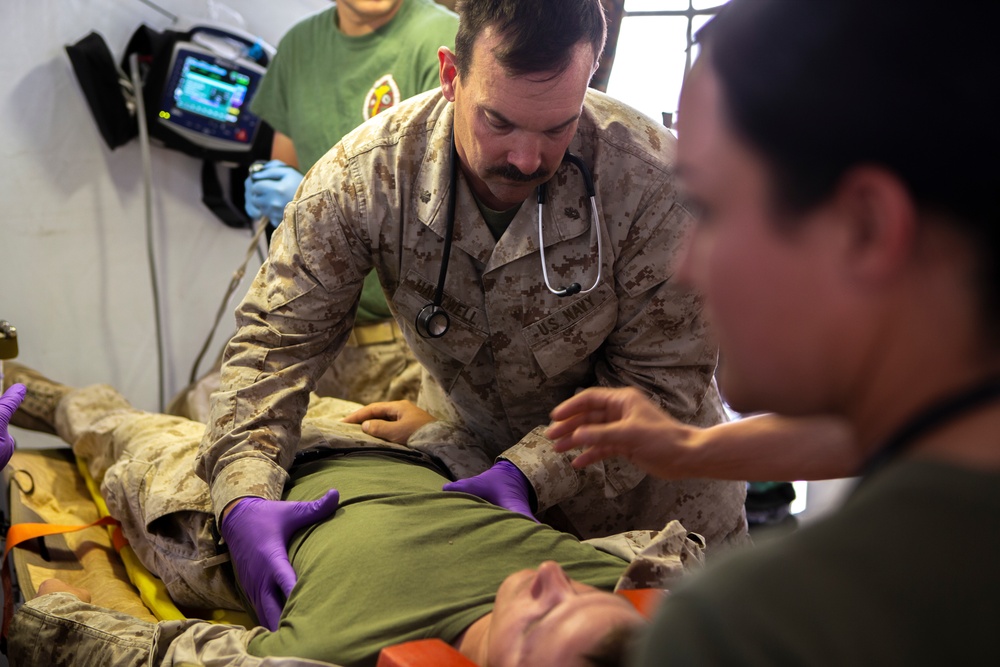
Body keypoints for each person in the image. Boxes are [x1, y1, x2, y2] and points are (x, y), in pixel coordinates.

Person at [201, 0, 749, 631]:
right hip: (475, 495)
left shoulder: (653, 184)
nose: (524, 157)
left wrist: (529, 473)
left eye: (556, 128)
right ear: (450, 75)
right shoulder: (365, 182)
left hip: (656, 509)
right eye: (500, 121)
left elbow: (661, 386)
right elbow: (273, 348)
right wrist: (241, 494)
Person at [546, 0, 1000, 662]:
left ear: (866, 227)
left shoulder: (756, 628)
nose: (687, 265)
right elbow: (859, 438)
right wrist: (687, 447)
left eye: (708, 207)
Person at [2, 363, 706, 666]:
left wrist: (43, 619)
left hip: (217, 502)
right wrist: (436, 432)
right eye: (579, 594)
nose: (552, 572)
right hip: (381, 441)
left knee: (113, 423)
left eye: (542, 618)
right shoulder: (628, 570)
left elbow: (153, 655)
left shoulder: (337, 654)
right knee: (219, 387)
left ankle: (35, 390)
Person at [172, 0, 459, 418]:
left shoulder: (440, 40)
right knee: (197, 418)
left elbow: (449, 208)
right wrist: (277, 191)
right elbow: (284, 166)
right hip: (312, 323)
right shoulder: (298, 48)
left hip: (406, 343)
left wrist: (318, 202)